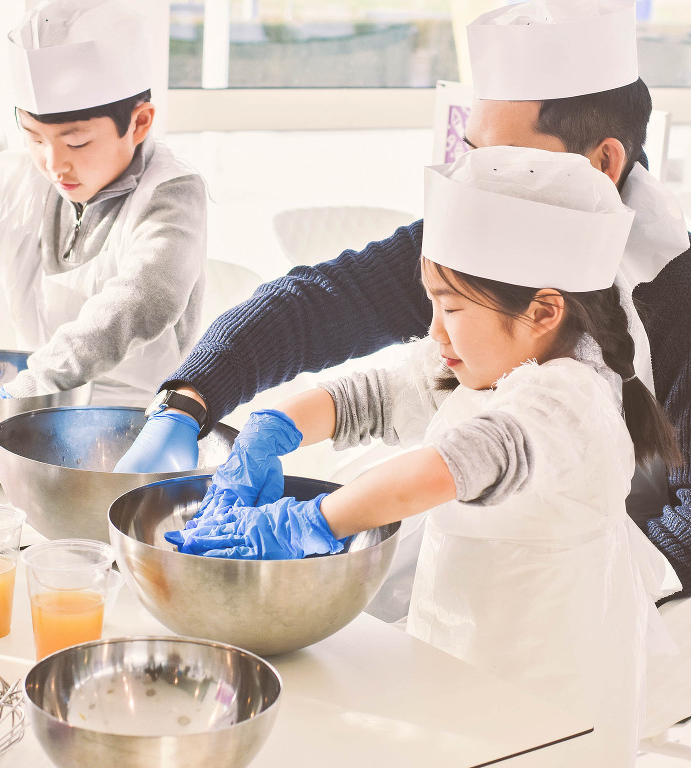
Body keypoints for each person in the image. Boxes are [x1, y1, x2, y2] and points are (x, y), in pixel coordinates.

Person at [114, 0, 691, 606]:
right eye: (468, 151)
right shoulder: (489, 236)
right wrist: (197, 403)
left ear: (602, 162)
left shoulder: (641, 321)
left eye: (499, 159)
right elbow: (327, 315)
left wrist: (605, 580)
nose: (470, 174)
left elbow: (475, 457)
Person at [173, 146, 680, 766]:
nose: (436, 331)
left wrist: (309, 522)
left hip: (549, 685)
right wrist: (273, 428)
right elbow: (376, 393)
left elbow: (454, 465)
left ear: (543, 311)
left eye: (453, 309)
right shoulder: (494, 355)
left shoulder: (567, 400)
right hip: (463, 649)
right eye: (432, 304)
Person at [0, 0, 206, 439]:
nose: (54, 166)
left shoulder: (172, 195)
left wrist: (31, 388)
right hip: (31, 422)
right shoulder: (20, 181)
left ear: (139, 123)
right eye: (35, 138)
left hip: (136, 433)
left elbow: (141, 300)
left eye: (76, 143)